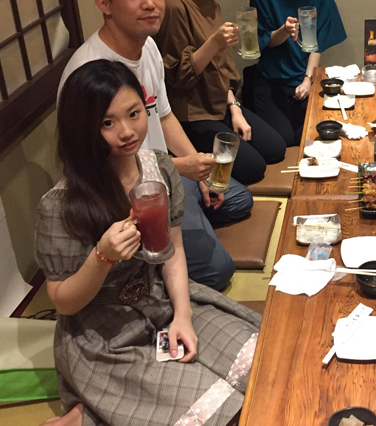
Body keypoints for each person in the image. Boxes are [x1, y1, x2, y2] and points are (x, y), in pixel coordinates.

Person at [37, 60, 260, 426]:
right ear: (83, 128)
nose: (127, 132)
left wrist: (183, 316)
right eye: (107, 123)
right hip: (105, 336)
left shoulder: (158, 167)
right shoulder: (61, 204)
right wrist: (102, 257)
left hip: (163, 300)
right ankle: (90, 407)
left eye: (134, 113)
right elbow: (63, 301)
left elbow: (174, 251)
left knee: (262, 366)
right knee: (224, 414)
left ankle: (94, 412)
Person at [59, 0, 246, 291]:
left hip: (164, 174)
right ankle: (153, 259)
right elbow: (94, 166)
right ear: (104, 3)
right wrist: (179, 168)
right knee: (218, 271)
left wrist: (197, 169)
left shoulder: (146, 46)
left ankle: (187, 214)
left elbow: (164, 115)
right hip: (124, 197)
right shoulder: (88, 74)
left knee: (236, 199)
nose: (150, 3)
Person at [156, 0, 286, 185]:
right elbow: (177, 77)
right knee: (254, 169)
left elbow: (221, 68)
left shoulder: (211, 3)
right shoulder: (173, 6)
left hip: (220, 105)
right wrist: (214, 43)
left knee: (276, 148)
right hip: (193, 115)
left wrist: (234, 108)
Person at [248, 0, 347, 146]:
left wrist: (308, 79)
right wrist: (284, 31)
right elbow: (264, 41)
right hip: (271, 81)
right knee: (282, 140)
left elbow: (318, 43)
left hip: (304, 80)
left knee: (316, 133)